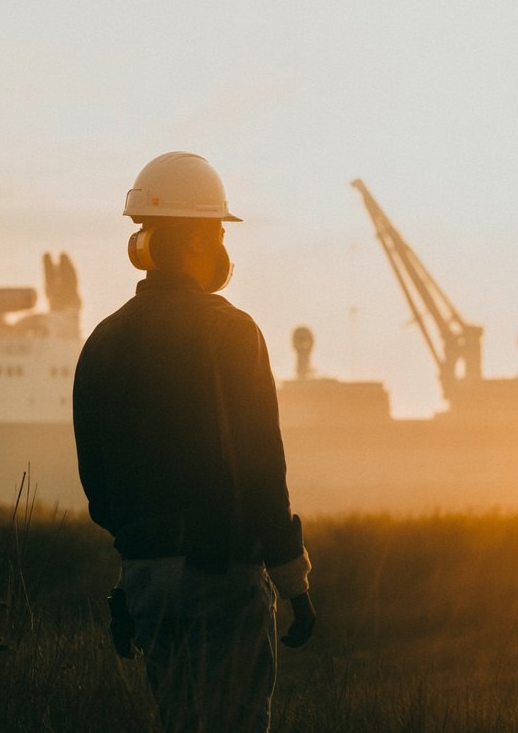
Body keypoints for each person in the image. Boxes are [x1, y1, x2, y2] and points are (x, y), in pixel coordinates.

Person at [73, 151, 316, 732]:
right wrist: (293, 581)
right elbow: (262, 467)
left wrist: (139, 570)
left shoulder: (101, 343)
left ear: (145, 243)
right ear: (206, 240)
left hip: (144, 583)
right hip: (222, 576)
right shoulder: (231, 331)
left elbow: (101, 491)